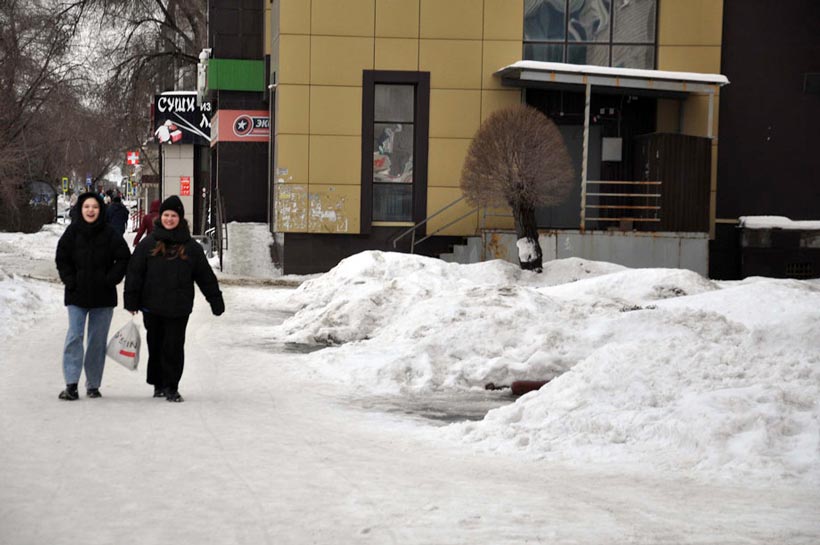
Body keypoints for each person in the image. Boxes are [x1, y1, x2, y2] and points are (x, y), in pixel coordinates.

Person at [124, 196, 224, 402]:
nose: (169, 219)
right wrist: (131, 301)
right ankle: (158, 383)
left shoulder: (191, 247)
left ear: (180, 218)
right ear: (160, 217)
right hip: (152, 306)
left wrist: (215, 300)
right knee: (156, 345)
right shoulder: (148, 244)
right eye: (166, 215)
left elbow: (205, 276)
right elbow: (135, 273)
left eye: (174, 215)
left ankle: (172, 386)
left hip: (179, 307)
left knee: (174, 347)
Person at [55, 192, 131, 400]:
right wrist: (70, 280)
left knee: (97, 341)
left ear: (101, 209)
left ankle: (93, 385)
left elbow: (124, 257)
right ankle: (71, 384)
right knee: (74, 337)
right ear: (81, 209)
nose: (91, 210)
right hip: (77, 295)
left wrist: (111, 279)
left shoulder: (110, 233)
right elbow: (62, 257)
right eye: (87, 207)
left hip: (103, 297)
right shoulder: (72, 232)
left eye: (95, 207)